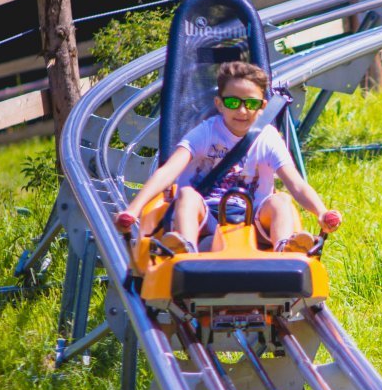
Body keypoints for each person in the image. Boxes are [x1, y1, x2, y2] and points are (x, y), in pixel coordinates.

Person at [113, 60, 342, 254]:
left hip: (254, 214)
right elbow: (169, 171)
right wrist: (134, 209)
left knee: (280, 201)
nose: (242, 111)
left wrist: (321, 212)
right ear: (219, 104)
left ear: (262, 107)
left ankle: (285, 248)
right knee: (186, 195)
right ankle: (185, 249)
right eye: (233, 103)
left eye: (250, 104)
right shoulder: (206, 132)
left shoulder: (268, 138)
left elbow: (296, 184)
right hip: (207, 211)